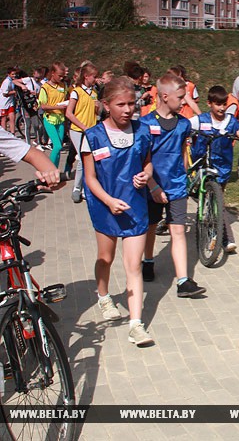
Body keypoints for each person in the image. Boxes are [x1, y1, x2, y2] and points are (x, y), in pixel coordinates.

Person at [81, 76, 155, 347]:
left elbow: (148, 164)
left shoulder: (144, 131)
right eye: (121, 104)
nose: (128, 110)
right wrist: (109, 201)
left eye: (131, 104)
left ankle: (136, 325)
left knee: (133, 265)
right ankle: (103, 296)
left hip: (135, 206)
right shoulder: (93, 136)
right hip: (105, 206)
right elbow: (90, 178)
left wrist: (146, 176)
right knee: (106, 257)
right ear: (106, 105)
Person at [140, 73, 207, 297]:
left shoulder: (184, 124)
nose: (184, 101)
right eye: (180, 97)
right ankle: (148, 261)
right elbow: (142, 159)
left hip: (177, 184)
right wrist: (152, 186)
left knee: (177, 230)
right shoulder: (145, 124)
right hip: (152, 186)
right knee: (150, 226)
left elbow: (181, 151)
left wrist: (186, 172)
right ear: (165, 96)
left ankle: (183, 281)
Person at [190, 85, 239, 253]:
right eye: (218, 104)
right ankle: (227, 237)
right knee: (212, 196)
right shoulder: (200, 120)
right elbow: (183, 128)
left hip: (222, 166)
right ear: (209, 104)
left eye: (224, 104)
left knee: (217, 198)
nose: (221, 108)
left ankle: (218, 232)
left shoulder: (231, 121)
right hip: (203, 162)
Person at [66, 62, 100, 203]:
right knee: (81, 159)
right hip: (78, 131)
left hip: (91, 130)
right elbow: (69, 113)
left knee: (89, 160)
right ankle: (77, 188)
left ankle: (86, 188)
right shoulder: (76, 92)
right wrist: (83, 126)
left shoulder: (94, 93)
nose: (96, 79)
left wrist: (98, 108)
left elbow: (95, 113)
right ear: (86, 76)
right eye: (94, 76)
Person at [38, 62, 68, 168]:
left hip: (60, 119)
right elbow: (43, 106)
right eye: (59, 75)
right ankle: (49, 170)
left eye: (63, 76)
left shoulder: (63, 85)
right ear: (52, 73)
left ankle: (55, 171)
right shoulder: (45, 87)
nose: (61, 78)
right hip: (50, 119)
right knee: (58, 146)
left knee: (58, 148)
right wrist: (58, 107)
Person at [0, 66, 18, 135]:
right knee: (4, 118)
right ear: (9, 74)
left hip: (10, 102)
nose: (14, 75)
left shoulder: (12, 81)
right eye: (12, 74)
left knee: (12, 117)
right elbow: (5, 93)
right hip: (3, 102)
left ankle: (13, 133)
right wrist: (14, 92)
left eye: (15, 74)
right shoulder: (7, 81)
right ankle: (4, 133)